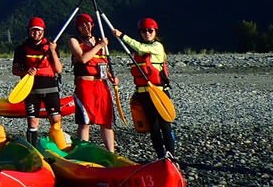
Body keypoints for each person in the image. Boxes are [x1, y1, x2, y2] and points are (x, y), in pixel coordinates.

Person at [110, 17, 176, 158]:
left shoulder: (157, 47)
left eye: (150, 31)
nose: (147, 33)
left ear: (155, 32)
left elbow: (141, 48)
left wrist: (122, 36)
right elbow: (139, 50)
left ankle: (171, 155)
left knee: (165, 126)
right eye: (143, 31)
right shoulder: (138, 53)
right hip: (143, 95)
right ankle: (160, 156)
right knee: (153, 128)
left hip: (158, 93)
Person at [68, 13, 117, 152]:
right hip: (85, 85)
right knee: (85, 122)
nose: (85, 27)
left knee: (106, 122)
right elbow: (83, 59)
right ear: (78, 27)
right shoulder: (74, 41)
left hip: (101, 84)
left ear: (92, 24)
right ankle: (83, 152)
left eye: (87, 23)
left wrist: (111, 76)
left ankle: (111, 153)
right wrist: (99, 45)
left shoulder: (100, 40)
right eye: (82, 24)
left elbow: (104, 63)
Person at [12, 17, 64, 147]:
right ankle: (32, 148)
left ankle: (58, 145)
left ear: (43, 31)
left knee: (56, 120)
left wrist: (52, 51)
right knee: (33, 122)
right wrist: (26, 72)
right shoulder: (21, 49)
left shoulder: (51, 46)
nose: (36, 33)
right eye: (33, 31)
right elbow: (15, 70)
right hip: (31, 90)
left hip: (51, 88)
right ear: (29, 31)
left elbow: (58, 69)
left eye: (39, 31)